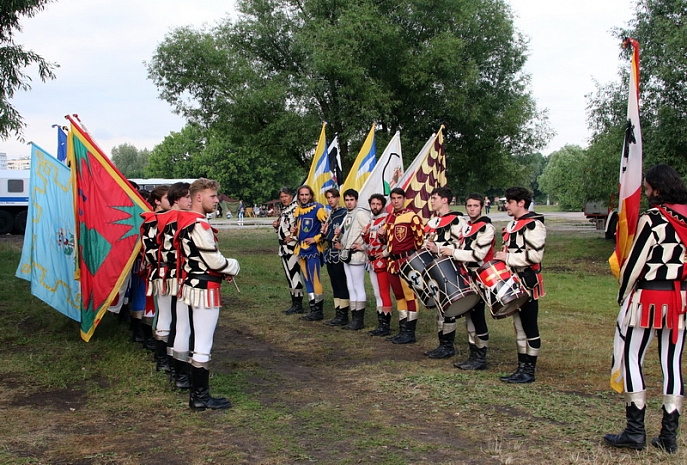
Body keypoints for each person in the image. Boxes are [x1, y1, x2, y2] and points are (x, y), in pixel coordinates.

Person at [604, 164, 687, 453]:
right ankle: (669, 437)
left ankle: (635, 432)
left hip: (650, 298)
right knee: (672, 364)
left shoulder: (653, 218)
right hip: (681, 300)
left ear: (657, 188)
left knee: (631, 358)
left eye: (648, 186)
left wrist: (623, 294)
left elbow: (635, 264)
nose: (647, 190)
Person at [177, 178, 240, 410]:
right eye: (213, 196)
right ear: (199, 197)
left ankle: (198, 395)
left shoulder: (185, 221)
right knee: (203, 342)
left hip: (194, 284)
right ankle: (200, 398)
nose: (217, 200)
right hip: (204, 288)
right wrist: (233, 266)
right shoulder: (199, 224)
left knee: (198, 340)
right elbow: (213, 259)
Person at [494, 187, 546, 384]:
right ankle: (521, 366)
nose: (506, 205)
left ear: (521, 203)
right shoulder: (512, 224)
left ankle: (529, 370)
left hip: (527, 281)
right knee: (518, 326)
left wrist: (506, 257)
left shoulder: (534, 225)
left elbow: (535, 256)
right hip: (513, 280)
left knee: (529, 325)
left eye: (509, 202)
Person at [439, 193, 495, 369]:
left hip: (480, 276)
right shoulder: (466, 227)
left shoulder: (486, 227)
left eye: (475, 206)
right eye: (469, 206)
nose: (472, 209)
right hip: (466, 276)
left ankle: (481, 357)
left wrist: (453, 252)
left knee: (478, 317)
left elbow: (478, 255)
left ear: (482, 207)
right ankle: (473, 355)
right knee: (469, 317)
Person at [157, 182, 193, 390]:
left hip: (171, 274)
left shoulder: (163, 219)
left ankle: (172, 366)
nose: (190, 200)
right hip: (181, 275)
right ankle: (181, 373)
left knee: (174, 321)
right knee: (183, 324)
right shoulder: (177, 219)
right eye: (187, 197)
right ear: (177, 199)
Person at [423, 187, 465, 358]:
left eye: (434, 198)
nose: (431, 201)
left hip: (451, 266)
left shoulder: (457, 220)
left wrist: (438, 248)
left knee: (448, 307)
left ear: (445, 200)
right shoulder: (433, 222)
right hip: (436, 267)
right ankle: (443, 344)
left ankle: (448, 346)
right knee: (440, 307)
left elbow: (461, 244)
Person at [383, 187, 425, 344]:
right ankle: (402, 330)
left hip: (407, 262)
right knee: (399, 296)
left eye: (398, 198)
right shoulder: (390, 218)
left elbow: (419, 240)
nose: (396, 201)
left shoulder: (412, 217)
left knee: (410, 296)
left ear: (404, 199)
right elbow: (387, 242)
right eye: (393, 198)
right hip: (392, 262)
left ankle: (410, 332)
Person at [140, 185, 172, 372]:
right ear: (157, 201)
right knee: (164, 314)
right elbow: (152, 250)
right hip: (162, 271)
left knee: (174, 316)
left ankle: (169, 355)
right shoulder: (152, 221)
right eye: (168, 198)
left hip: (174, 272)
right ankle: (162, 359)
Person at [336, 189, 371, 330]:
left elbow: (369, 230)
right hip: (347, 254)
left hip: (357, 255)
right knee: (350, 286)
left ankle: (359, 320)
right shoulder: (348, 214)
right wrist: (340, 241)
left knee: (358, 286)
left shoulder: (361, 213)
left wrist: (363, 246)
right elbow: (350, 234)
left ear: (356, 200)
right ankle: (354, 316)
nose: (349, 202)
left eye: (351, 200)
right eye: (347, 200)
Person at [292, 185, 328, 321]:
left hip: (313, 249)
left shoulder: (318, 209)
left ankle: (319, 310)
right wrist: (294, 231)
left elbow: (327, 226)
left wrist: (316, 238)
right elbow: (299, 230)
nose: (304, 197)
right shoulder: (298, 210)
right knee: (306, 279)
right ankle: (313, 308)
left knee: (315, 278)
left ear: (311, 195)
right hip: (301, 249)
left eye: (306, 194)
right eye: (301, 195)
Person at [362, 194, 393, 336]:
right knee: (376, 292)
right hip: (372, 260)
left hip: (382, 260)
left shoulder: (387, 219)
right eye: (373, 204)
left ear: (383, 205)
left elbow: (389, 240)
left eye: (378, 204)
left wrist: (382, 236)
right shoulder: (372, 221)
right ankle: (381, 323)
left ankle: (386, 325)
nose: (375, 207)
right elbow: (369, 241)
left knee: (383, 292)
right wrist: (365, 235)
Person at [272, 187, 304, 315]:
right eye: (282, 197)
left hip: (292, 247)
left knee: (295, 274)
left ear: (291, 196)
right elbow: (284, 226)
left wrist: (293, 237)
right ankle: (294, 301)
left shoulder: (296, 209)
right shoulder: (285, 210)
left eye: (286, 196)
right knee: (289, 276)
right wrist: (276, 227)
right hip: (283, 248)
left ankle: (298, 304)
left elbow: (300, 227)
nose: (284, 199)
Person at [321, 188, 350, 326]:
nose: (330, 200)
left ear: (338, 198)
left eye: (332, 197)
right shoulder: (331, 214)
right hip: (330, 253)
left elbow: (348, 232)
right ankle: (338, 312)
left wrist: (342, 243)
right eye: (328, 197)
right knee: (334, 284)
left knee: (341, 283)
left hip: (339, 254)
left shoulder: (344, 213)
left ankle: (343, 314)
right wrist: (324, 232)